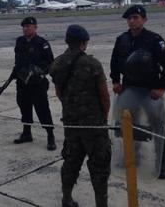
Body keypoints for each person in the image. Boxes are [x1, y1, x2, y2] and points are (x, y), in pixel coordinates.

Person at [110, 4, 165, 179]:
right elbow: (114, 62)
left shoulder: (155, 40)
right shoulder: (121, 39)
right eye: (129, 18)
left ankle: (162, 160)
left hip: (150, 90)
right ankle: (133, 156)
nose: (132, 21)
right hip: (129, 89)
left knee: (158, 125)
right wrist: (115, 80)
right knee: (128, 124)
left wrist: (161, 87)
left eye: (136, 18)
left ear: (144, 19)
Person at [51, 25, 111, 207]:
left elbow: (59, 93)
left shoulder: (57, 64)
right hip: (93, 124)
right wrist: (103, 117)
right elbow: (104, 96)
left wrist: (71, 107)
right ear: (84, 43)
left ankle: (66, 198)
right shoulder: (92, 64)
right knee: (99, 166)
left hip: (71, 122)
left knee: (71, 161)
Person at [11, 17, 56, 151]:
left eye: (28, 26)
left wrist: (39, 71)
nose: (26, 29)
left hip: (37, 83)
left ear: (35, 28)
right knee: (24, 107)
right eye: (24, 26)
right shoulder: (19, 42)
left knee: (42, 109)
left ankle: (50, 135)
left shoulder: (42, 43)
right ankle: (26, 133)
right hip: (22, 81)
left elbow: (50, 62)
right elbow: (18, 60)